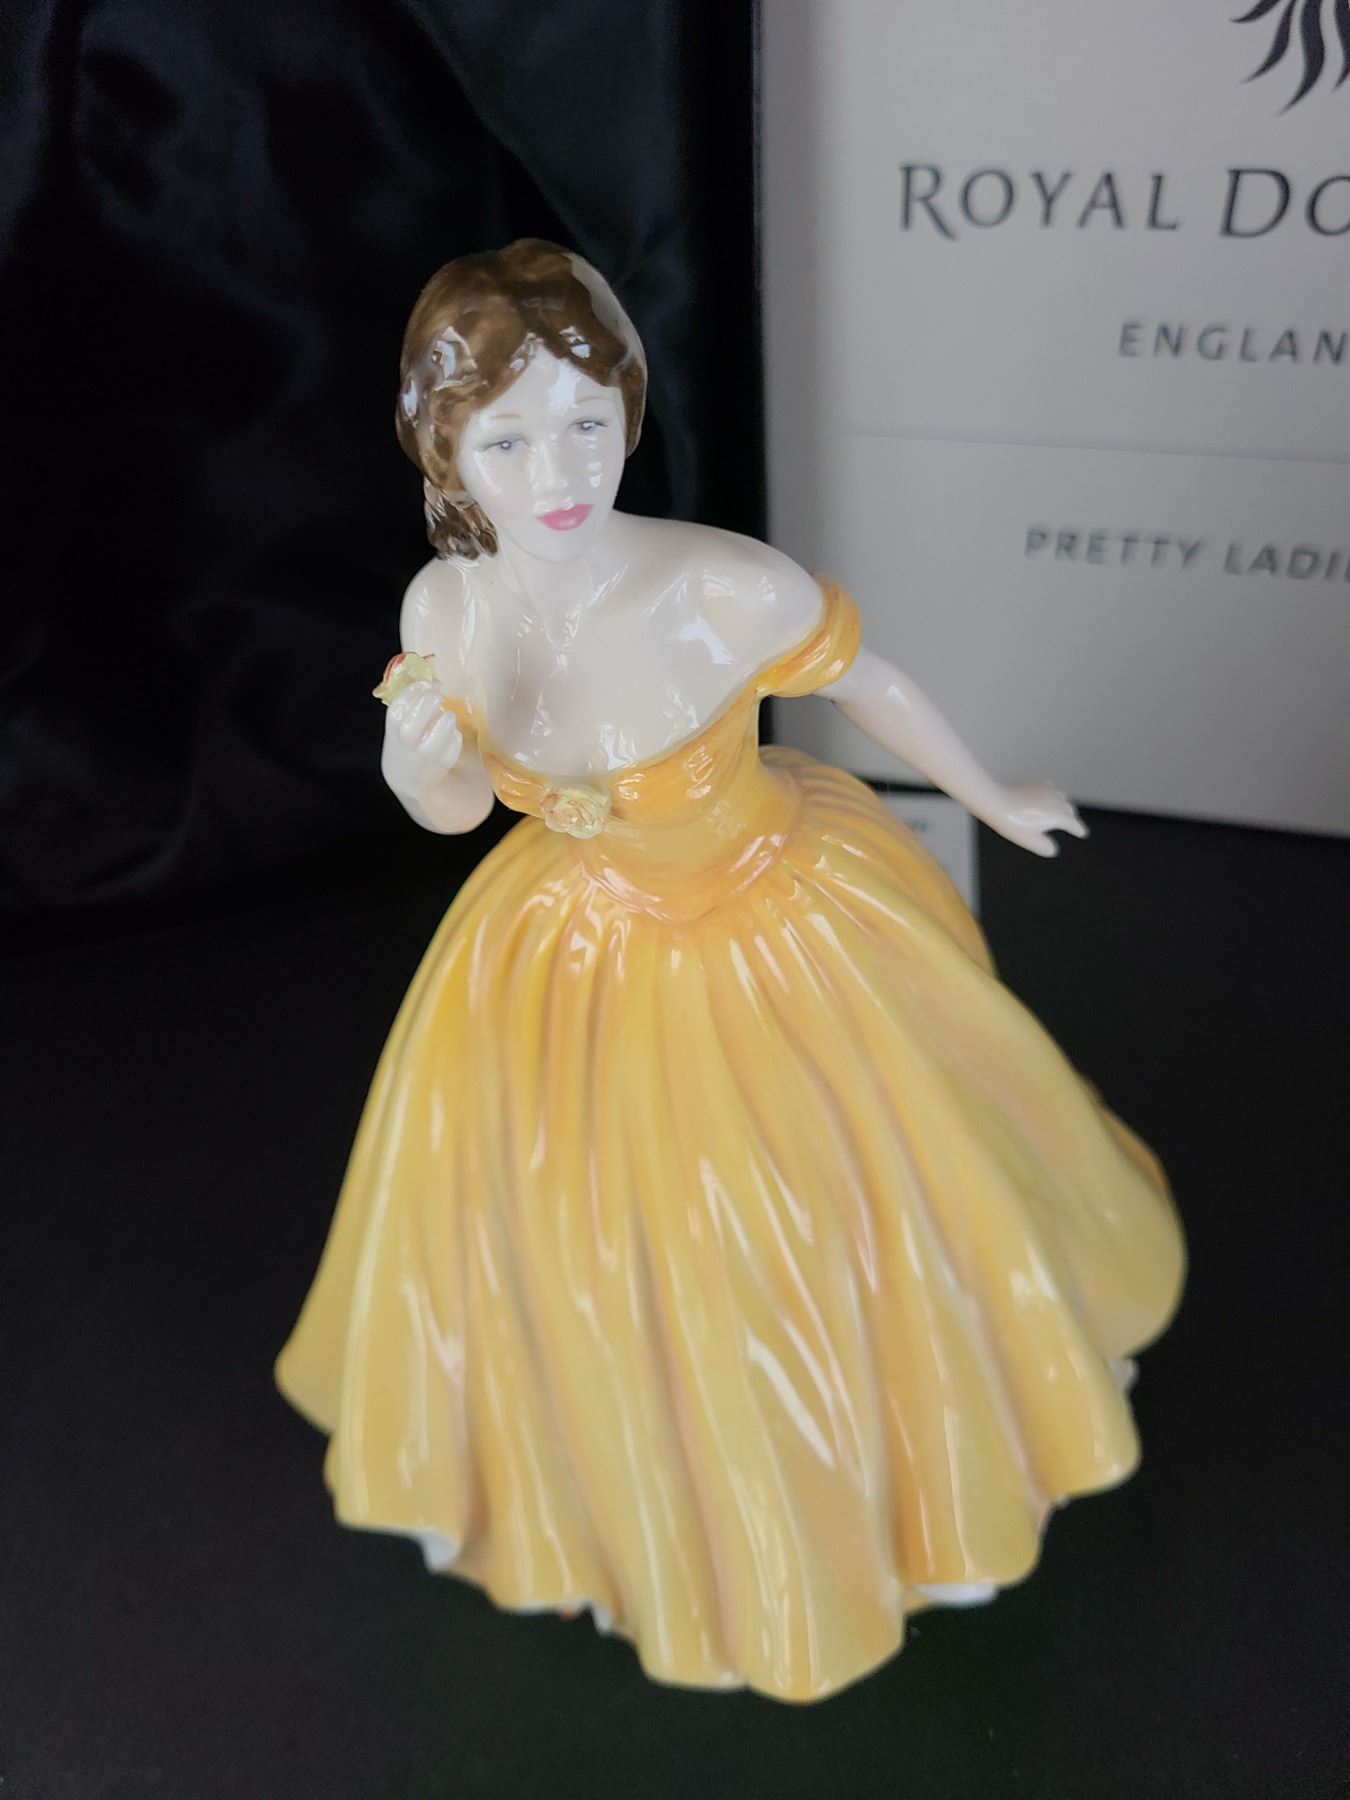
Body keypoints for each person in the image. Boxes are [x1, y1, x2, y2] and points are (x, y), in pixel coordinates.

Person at [275, 238, 1185, 1703]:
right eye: (507, 440)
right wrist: (413, 769)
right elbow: (457, 809)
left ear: (630, 409)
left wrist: (993, 794)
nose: (558, 469)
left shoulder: (715, 584)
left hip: (781, 911)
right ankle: (626, 1491)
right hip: (573, 944)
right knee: (572, 1221)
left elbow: (866, 682)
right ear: (445, 450)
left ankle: (917, 1455)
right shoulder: (448, 613)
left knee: (856, 1186)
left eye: (587, 421)